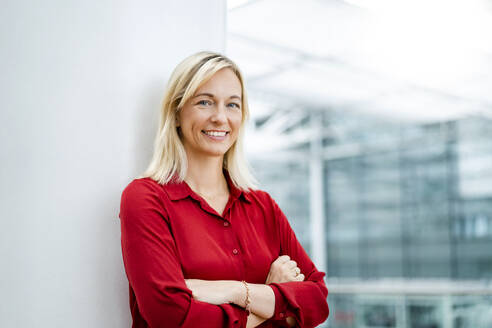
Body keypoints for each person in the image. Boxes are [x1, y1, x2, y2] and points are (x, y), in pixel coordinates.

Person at [118, 51, 329, 328]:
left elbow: (317, 301)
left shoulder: (262, 205)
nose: (220, 117)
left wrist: (234, 291)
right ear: (177, 113)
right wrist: (272, 301)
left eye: (232, 105)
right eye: (205, 102)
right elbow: (172, 318)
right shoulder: (145, 199)